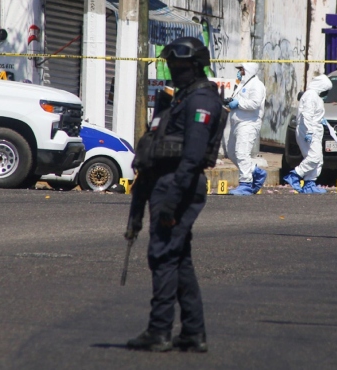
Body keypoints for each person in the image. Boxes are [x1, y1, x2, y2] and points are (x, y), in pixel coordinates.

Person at [125, 37, 223, 352]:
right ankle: (193, 333)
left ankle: (159, 331)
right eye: (171, 65)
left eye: (180, 65)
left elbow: (193, 156)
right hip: (164, 182)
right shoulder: (179, 99)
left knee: (163, 255)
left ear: (195, 67)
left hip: (179, 184)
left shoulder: (202, 101)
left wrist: (171, 200)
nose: (174, 70)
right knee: (179, 259)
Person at [283, 74, 332, 194]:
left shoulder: (315, 96)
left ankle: (310, 183)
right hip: (309, 130)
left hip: (313, 129)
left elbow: (314, 113)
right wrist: (310, 131)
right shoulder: (311, 95)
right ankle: (295, 175)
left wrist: (321, 120)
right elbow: (307, 115)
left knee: (318, 159)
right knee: (314, 157)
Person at [225, 63, 267, 195]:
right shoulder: (242, 84)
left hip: (249, 123)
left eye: (242, 70)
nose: (240, 72)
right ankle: (255, 171)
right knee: (232, 152)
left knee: (242, 153)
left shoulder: (257, 85)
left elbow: (254, 103)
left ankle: (246, 184)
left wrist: (238, 103)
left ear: (248, 71)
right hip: (237, 123)